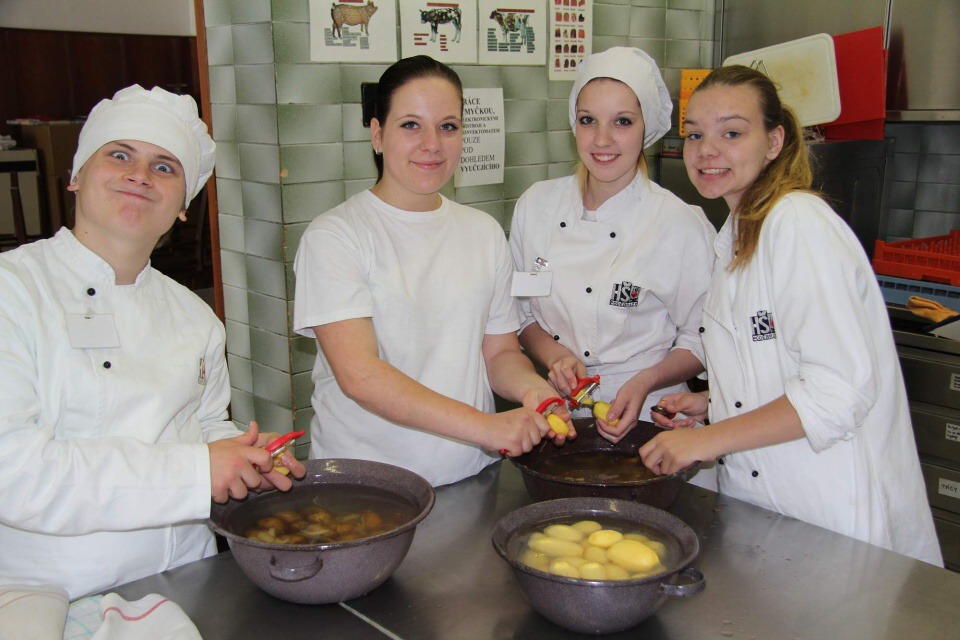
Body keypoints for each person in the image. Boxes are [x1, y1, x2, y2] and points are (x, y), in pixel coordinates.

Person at [0, 85, 306, 599]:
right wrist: (199, 470)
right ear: (76, 176)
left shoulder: (194, 315)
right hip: (55, 594)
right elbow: (14, 471)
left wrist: (244, 454)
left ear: (182, 206)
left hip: (187, 580)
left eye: (165, 167)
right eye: (119, 155)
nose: (140, 175)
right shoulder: (13, 290)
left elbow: (202, 424)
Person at [640, 65, 942, 566]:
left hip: (833, 513)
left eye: (732, 133)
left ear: (774, 141)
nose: (706, 150)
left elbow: (838, 390)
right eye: (694, 135)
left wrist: (708, 440)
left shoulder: (798, 224)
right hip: (769, 511)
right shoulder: (736, 238)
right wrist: (717, 403)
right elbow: (785, 365)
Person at [292, 56, 568, 487]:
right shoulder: (336, 236)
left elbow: (499, 353)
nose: (432, 144)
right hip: (368, 486)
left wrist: (533, 390)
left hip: (469, 473)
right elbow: (360, 376)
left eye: (448, 126)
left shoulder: (482, 232)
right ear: (377, 134)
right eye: (410, 125)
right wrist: (486, 427)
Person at [509, 47, 716, 442]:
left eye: (622, 121)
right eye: (588, 120)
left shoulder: (679, 224)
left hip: (655, 416)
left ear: (645, 128)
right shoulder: (535, 207)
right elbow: (521, 315)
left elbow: (702, 337)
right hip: (561, 412)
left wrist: (645, 380)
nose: (602, 139)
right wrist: (556, 357)